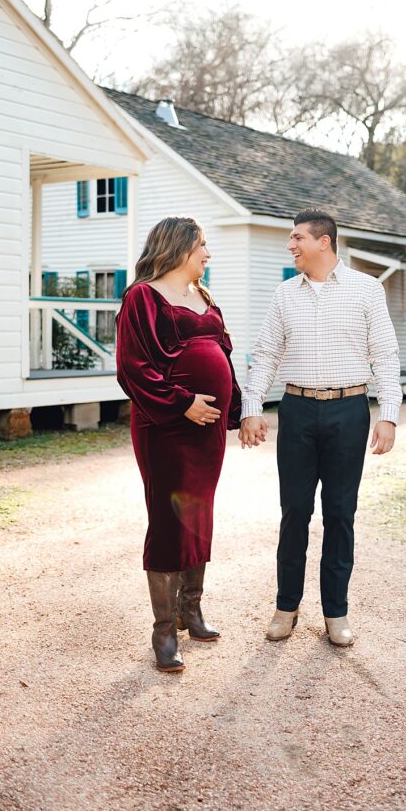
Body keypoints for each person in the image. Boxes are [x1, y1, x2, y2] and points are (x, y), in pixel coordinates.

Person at [240, 208, 401, 647]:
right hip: (297, 410)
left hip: (349, 411)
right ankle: (285, 607)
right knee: (294, 511)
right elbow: (266, 354)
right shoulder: (283, 294)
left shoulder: (367, 290)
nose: (291, 245)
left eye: (297, 238)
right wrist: (250, 407)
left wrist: (388, 413)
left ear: (323, 241)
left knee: (340, 514)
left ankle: (336, 613)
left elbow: (385, 355)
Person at [116, 216, 241, 672]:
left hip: (206, 432)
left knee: (197, 513)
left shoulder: (203, 297)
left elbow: (223, 354)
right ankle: (164, 630)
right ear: (180, 247)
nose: (208, 254)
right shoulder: (142, 297)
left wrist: (235, 409)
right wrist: (183, 402)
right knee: (169, 519)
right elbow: (133, 367)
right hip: (165, 427)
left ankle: (192, 609)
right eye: (203, 246)